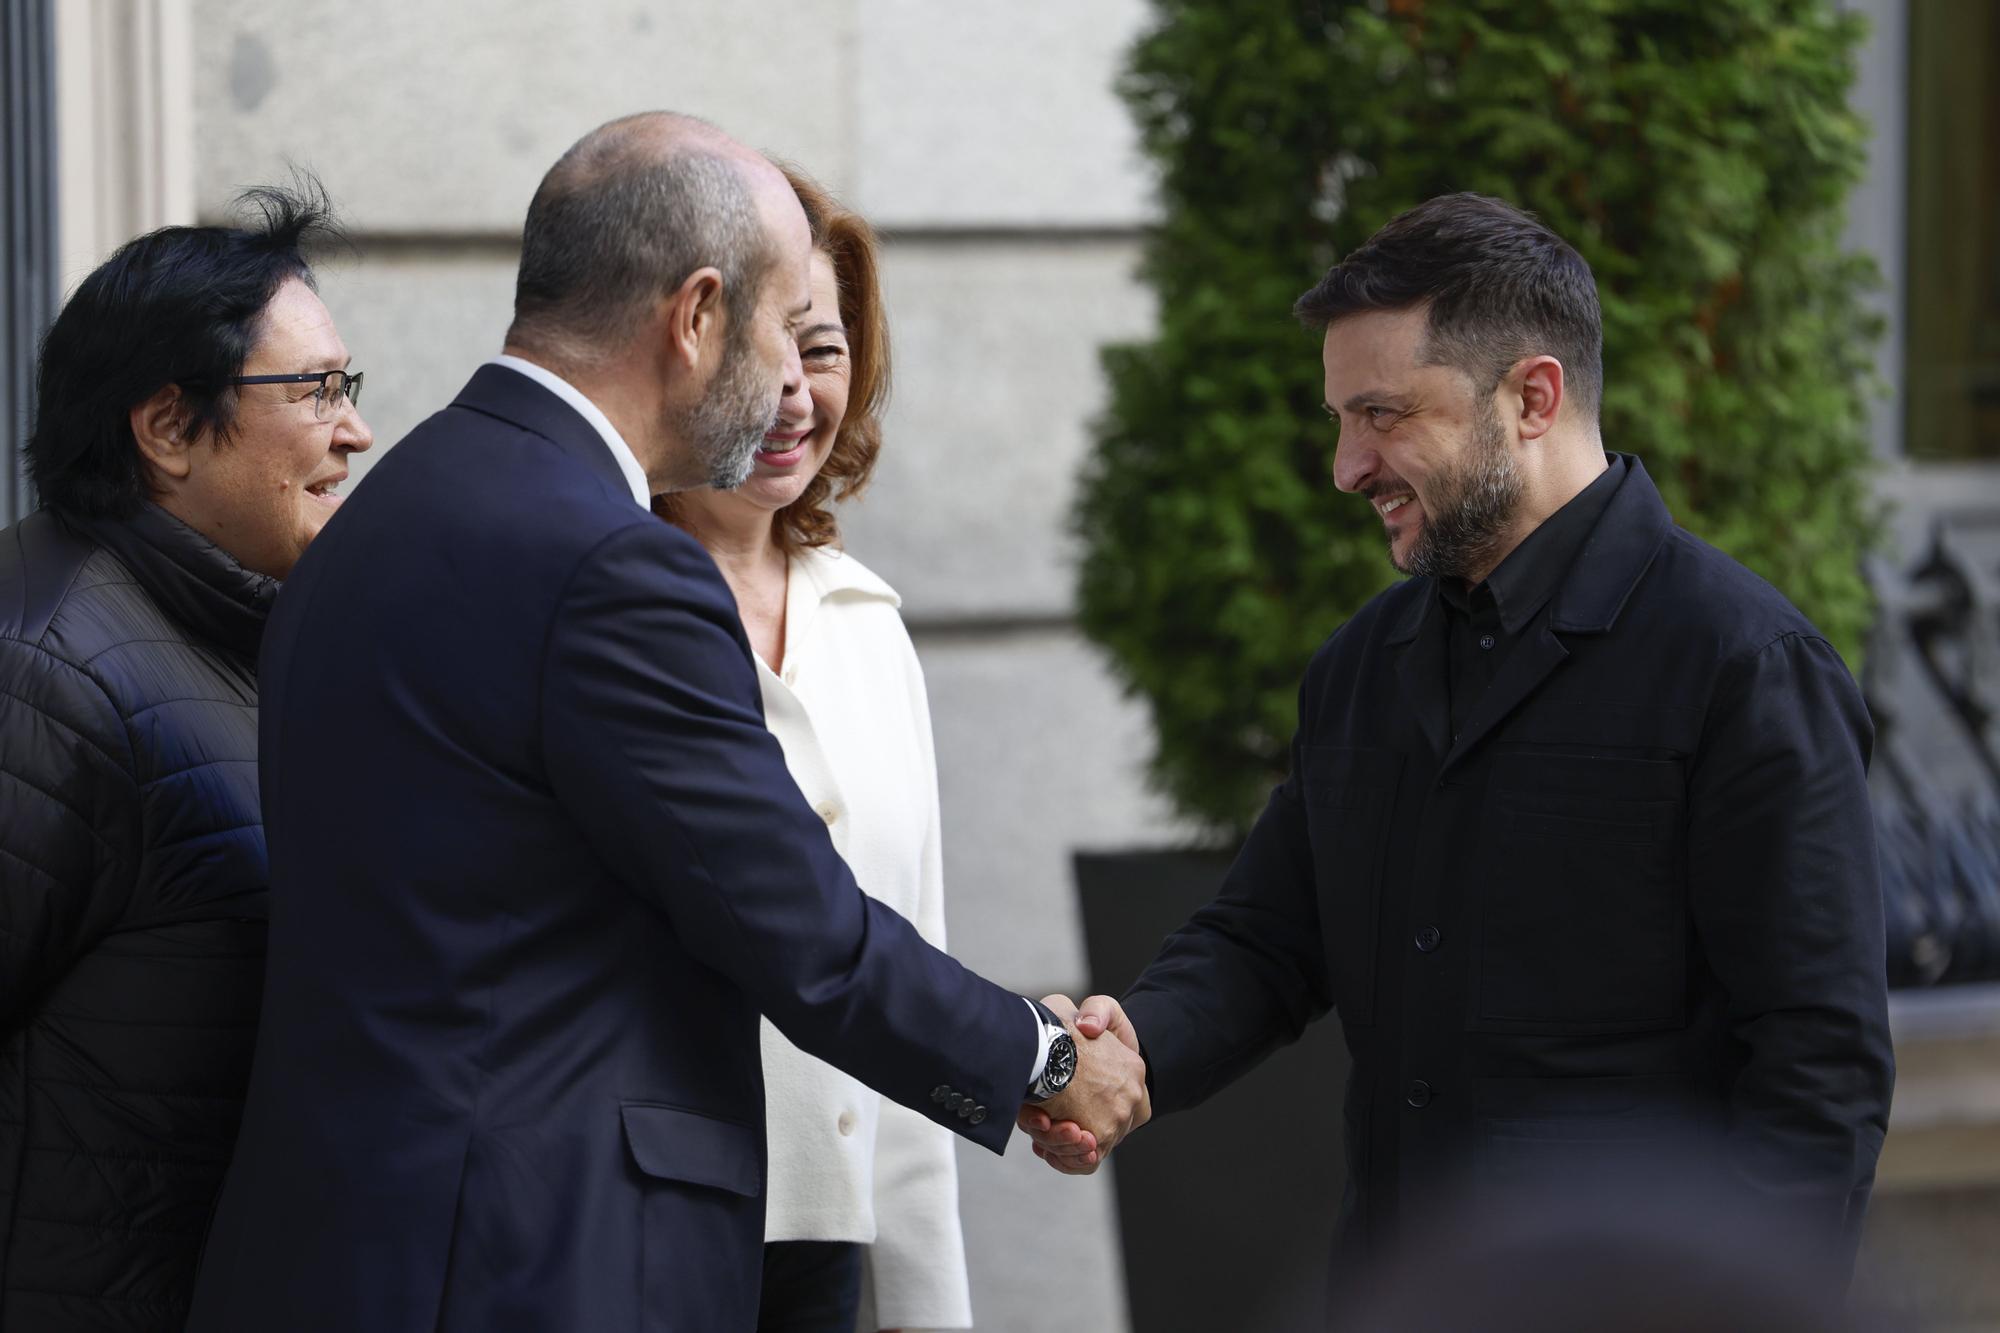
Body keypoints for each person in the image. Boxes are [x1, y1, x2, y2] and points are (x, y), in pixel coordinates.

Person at [186, 113, 1147, 1333]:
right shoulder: (610, 565)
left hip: (350, 1248)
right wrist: (1047, 1060)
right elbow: (804, 931)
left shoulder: (380, 519)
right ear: (694, 319)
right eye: (771, 327)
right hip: (533, 1265)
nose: (792, 383)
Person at [1023, 193, 1894, 1288]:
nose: (1347, 466)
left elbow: (1816, 1073)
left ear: (1531, 397)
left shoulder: (1742, 667)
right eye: (1340, 419)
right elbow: (1264, 938)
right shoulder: (1359, 666)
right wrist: (1128, 1051)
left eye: (1383, 415)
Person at [0, 185, 372, 1331]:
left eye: (346, 387)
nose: (353, 430)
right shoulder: (44, 674)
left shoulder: (243, 637)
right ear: (166, 428)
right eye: (312, 390)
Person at [656, 168, 969, 1332]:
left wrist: (930, 1306)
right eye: (764, 343)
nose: (793, 392)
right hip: (637, 1238)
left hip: (822, 1258)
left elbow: (912, 969)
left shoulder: (868, 625)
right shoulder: (594, 608)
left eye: (825, 349)